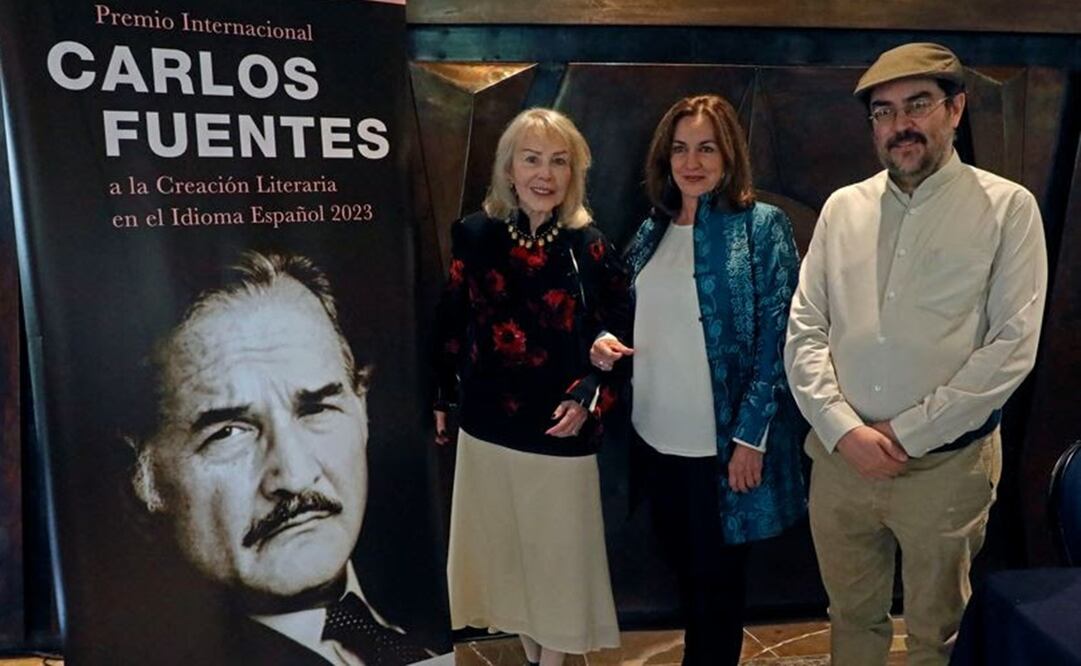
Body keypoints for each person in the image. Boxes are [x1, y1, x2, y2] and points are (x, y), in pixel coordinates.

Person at [784, 42, 1048, 666]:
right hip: (841, 463)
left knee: (939, 633)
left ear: (955, 109)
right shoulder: (843, 208)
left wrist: (906, 433)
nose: (900, 124)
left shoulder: (1007, 208)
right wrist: (842, 429)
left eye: (917, 104)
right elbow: (805, 328)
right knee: (850, 619)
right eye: (884, 111)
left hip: (945, 470)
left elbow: (1012, 347)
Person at [124, 250, 435, 666]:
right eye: (228, 432)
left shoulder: (431, 630)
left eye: (316, 409)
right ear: (143, 477)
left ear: (362, 407)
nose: (294, 475)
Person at [590, 94, 807, 666]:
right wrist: (605, 340)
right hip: (655, 440)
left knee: (718, 589)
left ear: (729, 154)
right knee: (684, 575)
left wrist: (751, 437)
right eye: (680, 148)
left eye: (706, 148)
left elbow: (780, 337)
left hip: (723, 449)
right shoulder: (653, 229)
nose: (692, 162)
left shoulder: (762, 227)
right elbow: (621, 312)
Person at [433, 108, 628, 666]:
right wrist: (442, 393)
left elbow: (623, 331)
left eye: (559, 161)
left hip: (560, 429)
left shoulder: (589, 246)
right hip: (488, 426)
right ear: (509, 169)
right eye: (532, 159)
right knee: (508, 564)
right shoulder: (474, 235)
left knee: (559, 566)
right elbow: (452, 319)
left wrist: (590, 391)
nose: (545, 173)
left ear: (574, 173)